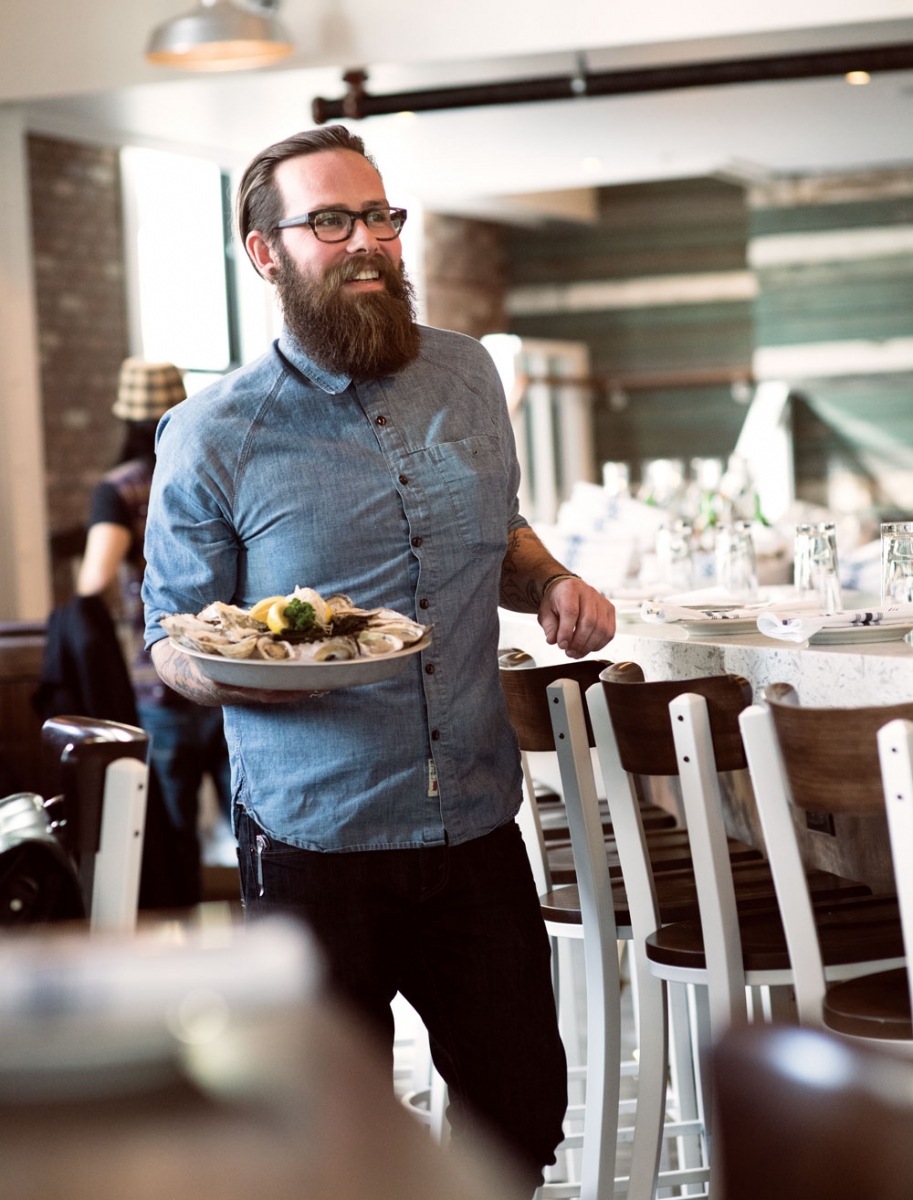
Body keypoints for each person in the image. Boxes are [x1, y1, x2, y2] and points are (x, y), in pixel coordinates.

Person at [141, 125, 616, 1187]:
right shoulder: (213, 432)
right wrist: (242, 665)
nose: (368, 242)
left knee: (520, 1118)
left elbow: (502, 535)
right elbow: (171, 637)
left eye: (381, 216)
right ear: (267, 253)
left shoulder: (467, 374)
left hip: (476, 820)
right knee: (335, 1152)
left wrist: (548, 583)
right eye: (330, 221)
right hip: (316, 840)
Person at [77, 357, 232, 907]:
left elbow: (95, 579)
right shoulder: (204, 466)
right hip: (226, 665)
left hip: (157, 676)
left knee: (173, 824)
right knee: (250, 817)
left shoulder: (118, 489)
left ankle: (184, 935)